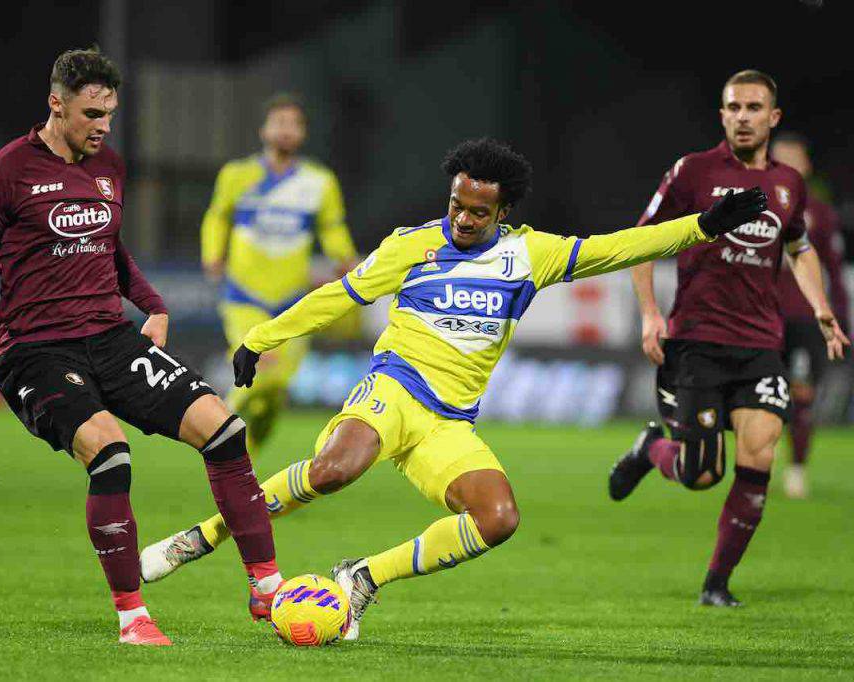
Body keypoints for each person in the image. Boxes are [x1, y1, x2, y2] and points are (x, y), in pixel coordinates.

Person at [140, 137, 766, 639]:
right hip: (393, 386)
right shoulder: (412, 245)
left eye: (478, 212)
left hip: (449, 423)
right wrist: (262, 338)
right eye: (456, 205)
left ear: (503, 212)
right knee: (334, 470)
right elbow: (339, 294)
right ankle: (205, 535)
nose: (463, 219)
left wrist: (704, 226)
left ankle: (363, 577)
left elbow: (619, 247)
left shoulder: (531, 256)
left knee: (499, 518)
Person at [0, 47, 282, 646]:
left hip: (111, 338)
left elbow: (113, 253)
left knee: (225, 430)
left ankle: (268, 589)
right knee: (111, 455)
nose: (103, 126)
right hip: (37, 351)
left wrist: (156, 307)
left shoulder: (108, 169)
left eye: (110, 114)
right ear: (55, 104)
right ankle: (132, 617)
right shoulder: (4, 173)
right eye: (92, 113)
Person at [607, 70, 850, 606]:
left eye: (753, 107)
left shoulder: (789, 183)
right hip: (696, 342)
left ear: (773, 117)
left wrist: (821, 307)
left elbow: (799, 246)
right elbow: (642, 240)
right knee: (701, 474)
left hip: (761, 344)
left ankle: (716, 584)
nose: (743, 116)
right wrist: (650, 313)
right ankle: (653, 450)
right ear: (722, 115)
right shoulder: (693, 172)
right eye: (734, 107)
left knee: (759, 457)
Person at [200, 93, 358, 454]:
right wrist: (213, 254)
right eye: (279, 123)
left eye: (294, 124)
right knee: (260, 367)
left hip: (292, 301)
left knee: (275, 389)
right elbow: (217, 216)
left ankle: (248, 452)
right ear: (263, 130)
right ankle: (219, 442)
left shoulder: (320, 181)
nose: (286, 130)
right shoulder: (237, 175)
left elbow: (332, 227)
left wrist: (345, 259)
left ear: (303, 133)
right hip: (244, 296)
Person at [769, 132, 849, 499]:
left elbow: (834, 270)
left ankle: (797, 469)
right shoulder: (751, 206)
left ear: (805, 165)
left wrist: (839, 317)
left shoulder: (819, 212)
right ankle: (757, 465)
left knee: (801, 396)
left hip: (803, 320)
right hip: (761, 318)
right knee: (760, 398)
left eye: (792, 159)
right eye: (778, 158)